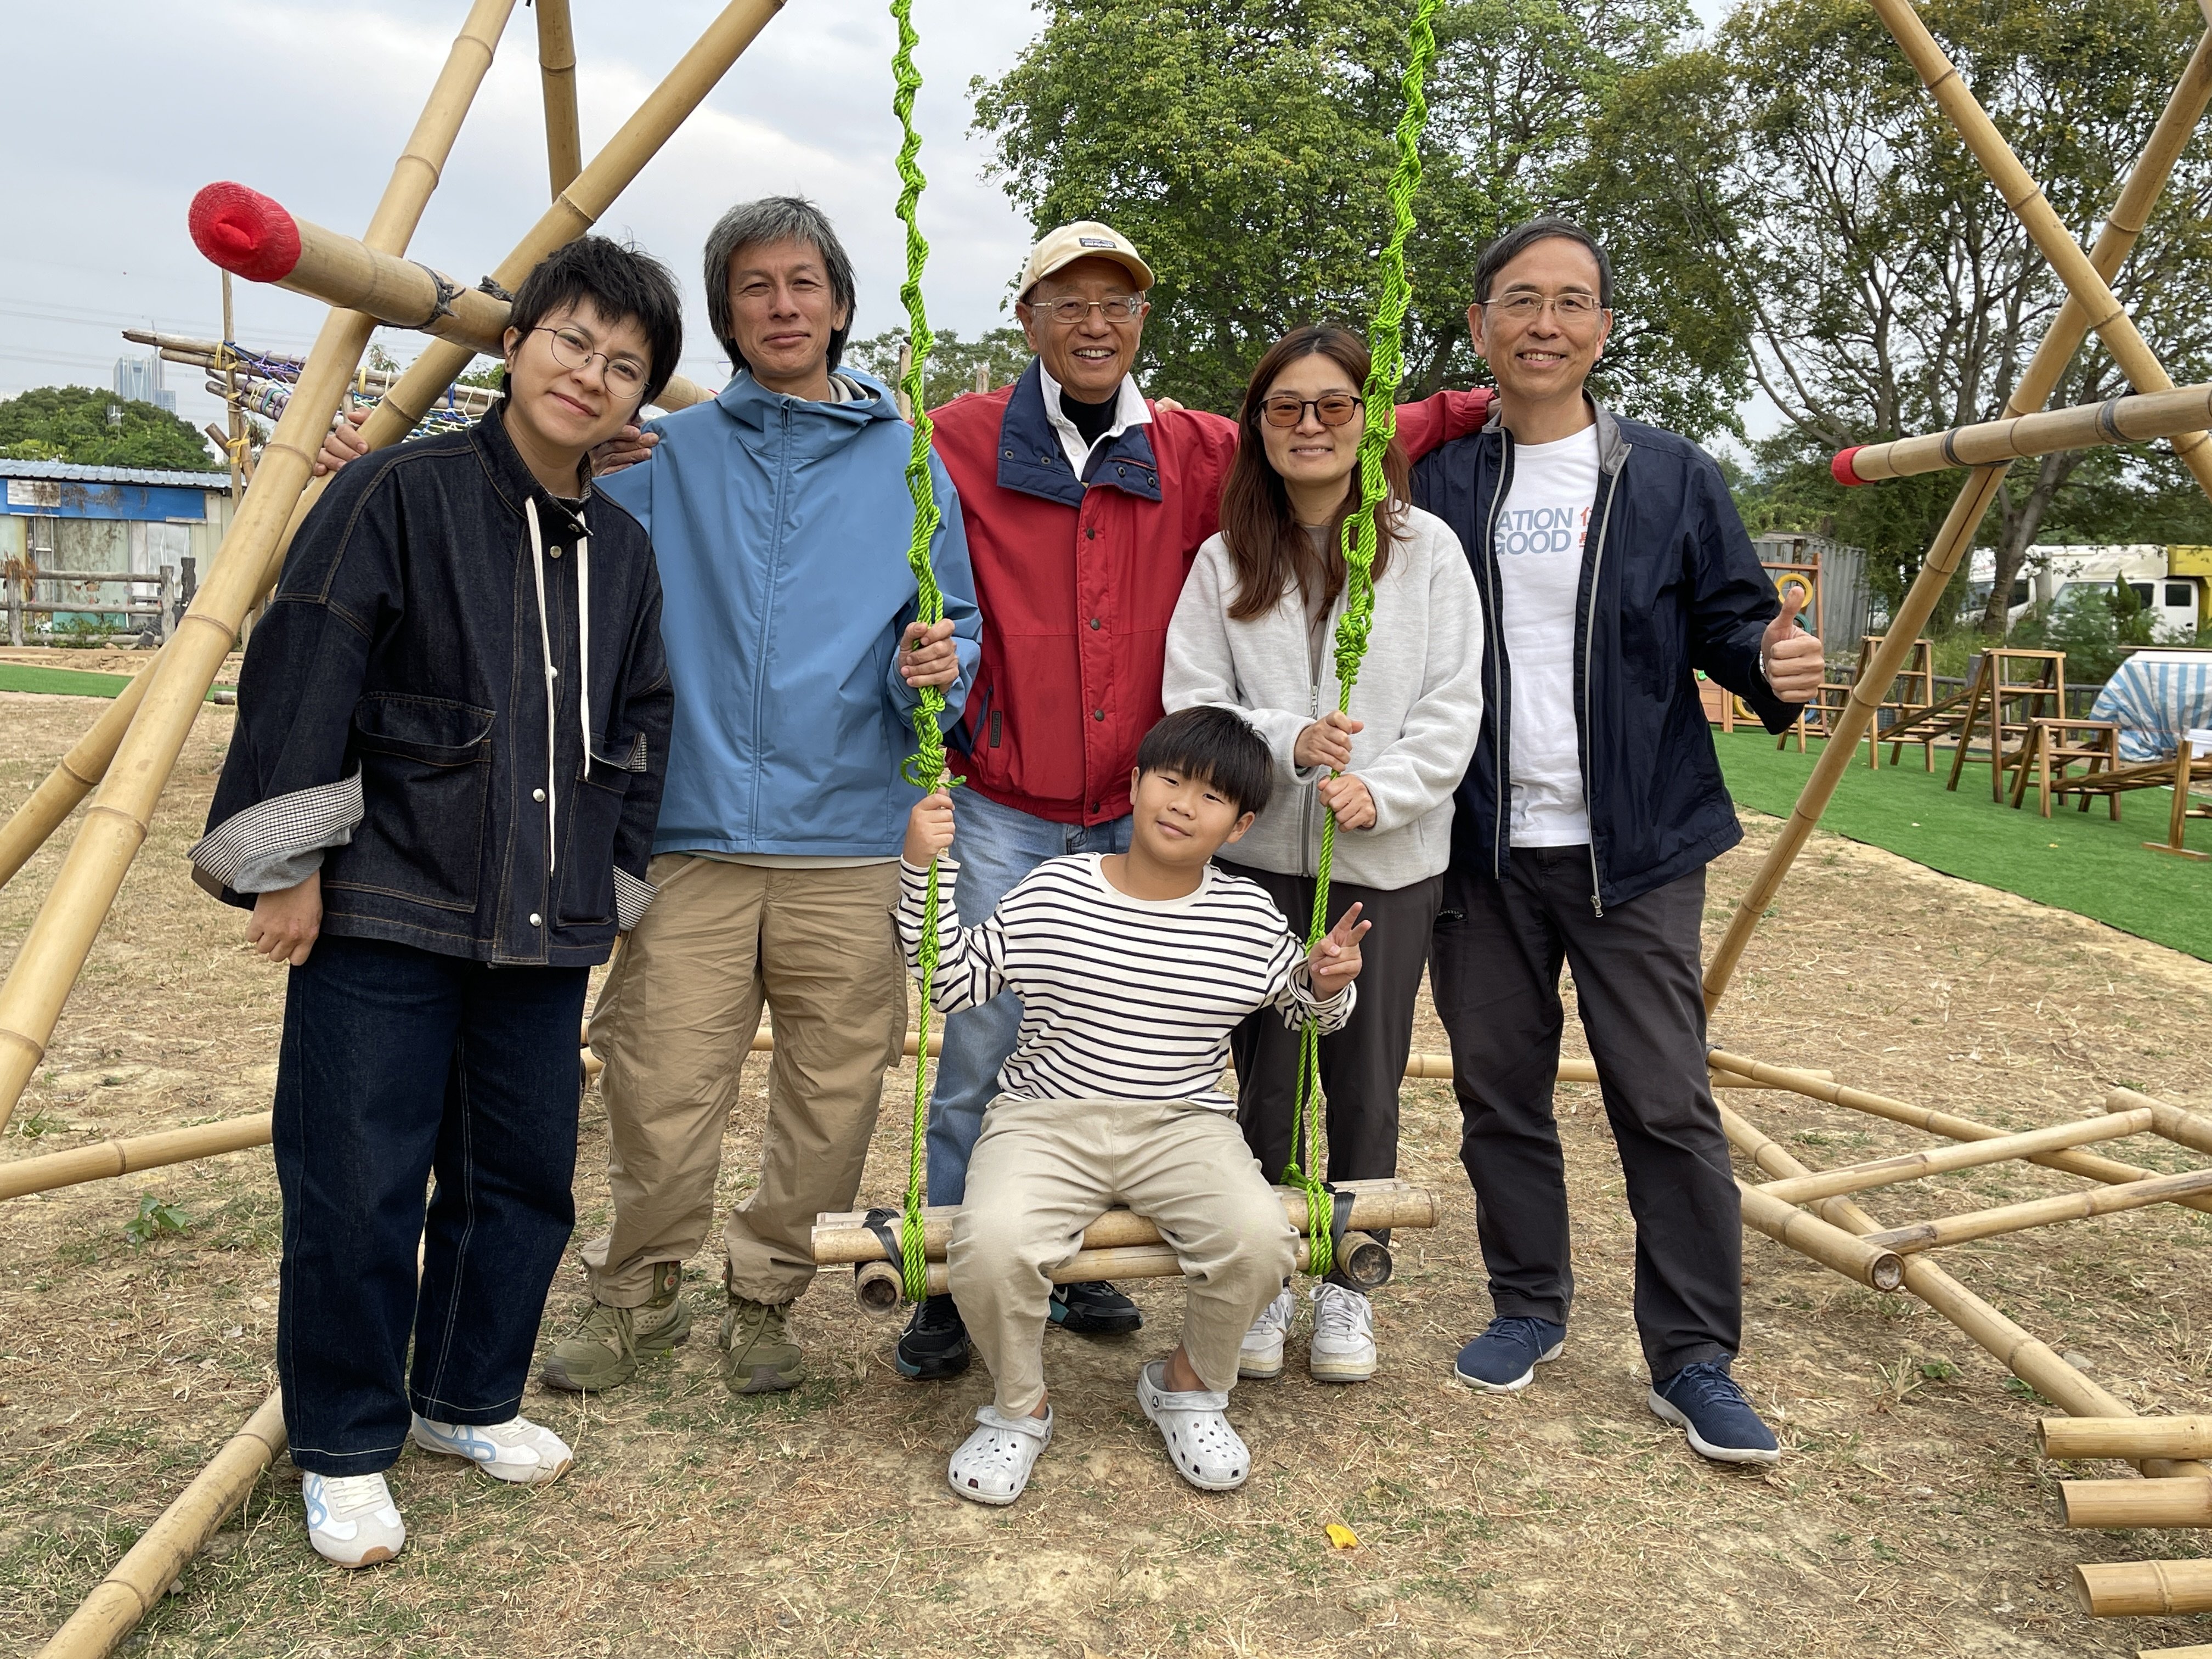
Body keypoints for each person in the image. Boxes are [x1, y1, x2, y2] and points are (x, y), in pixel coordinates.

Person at [325, 199, 981, 1399]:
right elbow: (522, 516)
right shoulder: (663, 455)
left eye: (803, 284)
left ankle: (768, 1293)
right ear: (727, 319)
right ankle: (637, 1293)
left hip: (846, 834)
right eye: (753, 289)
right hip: (687, 830)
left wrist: (939, 667)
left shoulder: (911, 461)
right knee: (659, 1080)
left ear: (840, 301)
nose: (782, 306)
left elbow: (956, 626)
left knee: (836, 1090)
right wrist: (369, 473)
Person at [902, 222, 1495, 1381]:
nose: (1092, 323)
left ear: (1141, 322)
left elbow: (1346, 419)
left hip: (1167, 820)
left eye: (1116, 303)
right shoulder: (965, 435)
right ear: (1025, 316)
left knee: (1185, 1047)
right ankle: (957, 1278)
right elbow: (840, 439)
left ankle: (1180, 1271)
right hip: (1030, 800)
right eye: (1065, 301)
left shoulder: (1194, 450)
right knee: (992, 1047)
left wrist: (1481, 401)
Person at [191, 236, 682, 1567]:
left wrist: (616, 883)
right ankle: (347, 1443)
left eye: (625, 365)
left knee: (519, 1174)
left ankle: (470, 1396)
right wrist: (290, 865)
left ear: (640, 403)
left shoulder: (624, 551)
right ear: (516, 346)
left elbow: (642, 724)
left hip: (545, 915)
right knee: (356, 1179)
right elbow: (310, 662)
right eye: (574, 342)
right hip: (390, 897)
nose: (593, 375)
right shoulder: (396, 493)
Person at [1411, 217, 1824, 1465]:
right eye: (1520, 300)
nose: (1546, 323)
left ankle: (1693, 1355)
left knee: (1666, 1100)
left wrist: (1772, 663)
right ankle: (1527, 1304)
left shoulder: (1667, 475)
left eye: (1573, 301)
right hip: (1479, 844)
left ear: (1602, 328)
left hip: (1634, 846)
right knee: (1499, 1094)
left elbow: (1733, 623)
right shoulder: (1436, 480)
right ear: (1479, 325)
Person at [896, 706, 1370, 1505]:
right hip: (1046, 1119)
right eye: (1170, 780)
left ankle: (1187, 1385)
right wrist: (920, 871)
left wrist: (1328, 981)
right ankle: (1020, 1406)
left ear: (1240, 823)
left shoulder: (1249, 917)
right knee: (993, 1242)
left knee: (1261, 1241)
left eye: (1211, 797)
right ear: (1138, 785)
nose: (1183, 804)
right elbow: (952, 982)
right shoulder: (1056, 889)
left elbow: (1305, 1012)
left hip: (1183, 1126)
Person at [1163, 325, 1482, 1386]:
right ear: (1258, 428)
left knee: (1364, 1076)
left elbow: (1452, 705)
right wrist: (1282, 743)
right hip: (1258, 856)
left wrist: (1379, 789)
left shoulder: (1426, 549)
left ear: (1367, 421)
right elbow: (1192, 700)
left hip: (1385, 859)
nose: (1311, 425)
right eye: (1287, 407)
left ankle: (1350, 1276)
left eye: (1333, 405)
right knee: (1260, 1075)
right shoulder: (1224, 557)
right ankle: (1264, 1275)